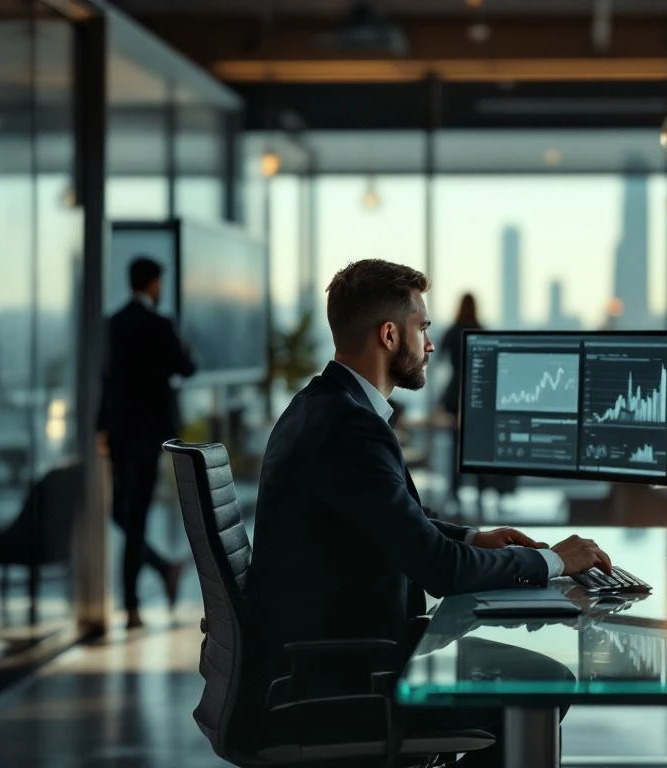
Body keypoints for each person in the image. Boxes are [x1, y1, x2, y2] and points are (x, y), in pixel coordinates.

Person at [243, 259, 613, 764]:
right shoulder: (350, 428)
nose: (432, 344)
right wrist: (554, 562)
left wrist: (473, 537)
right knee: (541, 686)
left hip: (332, 655)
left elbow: (388, 521)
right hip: (344, 679)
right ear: (390, 335)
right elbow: (438, 568)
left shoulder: (321, 405)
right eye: (423, 328)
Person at [96, 256, 195, 629]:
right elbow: (187, 367)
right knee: (133, 514)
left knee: (123, 513)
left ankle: (141, 594)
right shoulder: (160, 324)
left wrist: (101, 427)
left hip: (120, 431)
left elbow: (106, 380)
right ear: (153, 283)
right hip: (150, 432)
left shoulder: (113, 324)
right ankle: (143, 593)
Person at [439, 293, 482, 501]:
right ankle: (481, 491)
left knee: (456, 446)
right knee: (478, 445)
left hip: (454, 393)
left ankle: (454, 491)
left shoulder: (452, 331)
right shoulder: (480, 330)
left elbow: (439, 358)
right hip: (476, 391)